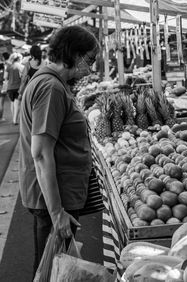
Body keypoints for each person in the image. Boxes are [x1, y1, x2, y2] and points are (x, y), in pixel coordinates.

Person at [19, 25, 99, 279]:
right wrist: (57, 213)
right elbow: (41, 154)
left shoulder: (53, 83)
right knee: (51, 272)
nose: (92, 67)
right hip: (53, 200)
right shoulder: (50, 88)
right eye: (90, 59)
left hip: (58, 196)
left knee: (54, 270)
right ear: (74, 54)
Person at [5, 52, 24, 125]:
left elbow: (5, 77)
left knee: (12, 103)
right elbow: (24, 77)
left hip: (9, 88)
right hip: (18, 87)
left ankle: (14, 118)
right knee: (17, 104)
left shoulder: (9, 67)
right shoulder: (21, 67)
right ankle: (15, 120)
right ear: (19, 59)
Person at [0, 52, 10, 121]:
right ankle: (0, 118)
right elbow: (5, 77)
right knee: (1, 102)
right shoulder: (5, 66)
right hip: (2, 85)